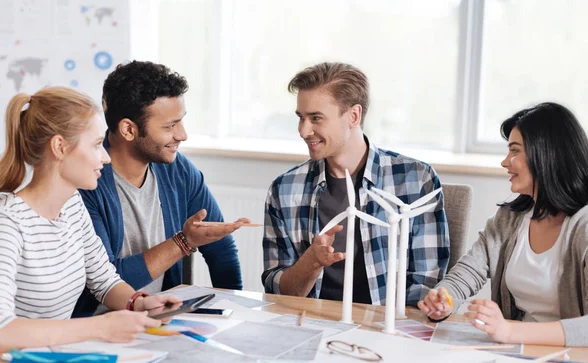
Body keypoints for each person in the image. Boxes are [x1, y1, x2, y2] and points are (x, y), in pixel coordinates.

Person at [0, 87, 182, 353]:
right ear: (59, 147)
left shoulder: (72, 206)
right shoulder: (7, 222)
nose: (105, 156)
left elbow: (104, 280)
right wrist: (100, 327)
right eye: (95, 145)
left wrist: (139, 303)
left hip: (51, 359)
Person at [262, 62, 449, 305]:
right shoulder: (284, 190)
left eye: (316, 118)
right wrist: (312, 262)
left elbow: (427, 284)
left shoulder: (416, 180)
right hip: (311, 326)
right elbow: (278, 295)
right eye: (301, 118)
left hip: (388, 329)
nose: (303, 130)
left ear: (353, 116)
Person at [73, 61, 249, 317]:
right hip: (97, 326)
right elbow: (105, 280)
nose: (183, 135)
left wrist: (234, 311)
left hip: (160, 322)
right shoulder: (87, 182)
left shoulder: (178, 170)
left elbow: (220, 248)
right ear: (129, 129)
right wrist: (183, 243)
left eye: (181, 122)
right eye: (169, 126)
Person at [418, 102, 588, 347]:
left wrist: (508, 331)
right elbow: (466, 274)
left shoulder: (583, 226)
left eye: (515, 151)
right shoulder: (509, 219)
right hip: (516, 354)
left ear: (547, 153)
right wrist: (444, 299)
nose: (505, 162)